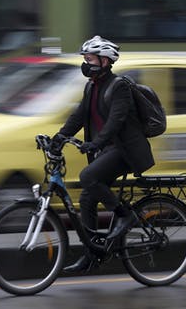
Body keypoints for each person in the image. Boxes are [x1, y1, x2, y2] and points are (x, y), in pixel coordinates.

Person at [51, 35, 155, 272]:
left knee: (88, 177)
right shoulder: (92, 86)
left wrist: (96, 143)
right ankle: (92, 254)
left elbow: (116, 122)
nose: (85, 63)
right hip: (108, 150)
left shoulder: (119, 87)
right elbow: (78, 116)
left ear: (105, 61)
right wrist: (58, 138)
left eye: (90, 59)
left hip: (125, 151)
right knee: (87, 196)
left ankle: (124, 214)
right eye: (85, 59)